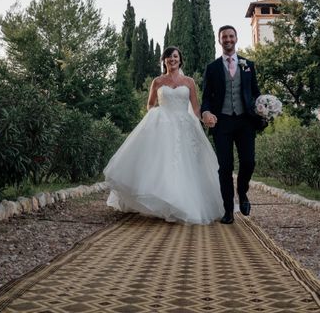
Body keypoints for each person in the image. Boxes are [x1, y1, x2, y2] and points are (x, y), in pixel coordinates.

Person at [103, 46, 224, 224]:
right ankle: (163, 203)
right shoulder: (157, 81)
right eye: (168, 57)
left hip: (184, 126)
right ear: (164, 60)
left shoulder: (189, 81)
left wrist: (205, 118)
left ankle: (182, 204)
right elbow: (150, 105)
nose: (172, 59)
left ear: (180, 60)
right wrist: (157, 117)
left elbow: (196, 107)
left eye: (175, 56)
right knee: (163, 164)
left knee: (185, 164)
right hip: (163, 126)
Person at [201, 25, 262, 224]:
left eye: (230, 36)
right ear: (219, 41)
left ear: (236, 38)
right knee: (225, 167)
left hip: (245, 121)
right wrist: (206, 112)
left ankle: (242, 192)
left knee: (248, 162)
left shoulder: (248, 65)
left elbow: (255, 93)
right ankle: (228, 210)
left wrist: (265, 108)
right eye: (224, 37)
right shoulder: (212, 68)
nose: (228, 39)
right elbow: (206, 98)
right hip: (222, 122)